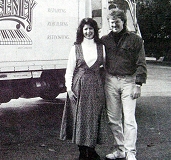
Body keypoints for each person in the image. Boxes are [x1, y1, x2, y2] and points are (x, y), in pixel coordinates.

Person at [101, 9, 147, 160]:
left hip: (129, 81)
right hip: (110, 80)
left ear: (123, 22)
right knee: (113, 118)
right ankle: (120, 149)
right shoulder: (105, 40)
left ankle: (130, 152)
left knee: (129, 119)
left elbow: (141, 63)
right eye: (111, 22)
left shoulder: (135, 39)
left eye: (117, 22)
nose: (114, 24)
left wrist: (138, 84)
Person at [60, 18, 105, 160]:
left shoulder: (101, 47)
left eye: (91, 28)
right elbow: (69, 70)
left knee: (93, 117)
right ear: (81, 31)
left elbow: (106, 67)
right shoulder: (76, 47)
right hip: (78, 87)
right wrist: (69, 89)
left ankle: (91, 150)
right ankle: (82, 151)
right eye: (85, 29)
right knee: (79, 119)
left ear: (95, 30)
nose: (88, 31)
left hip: (96, 86)